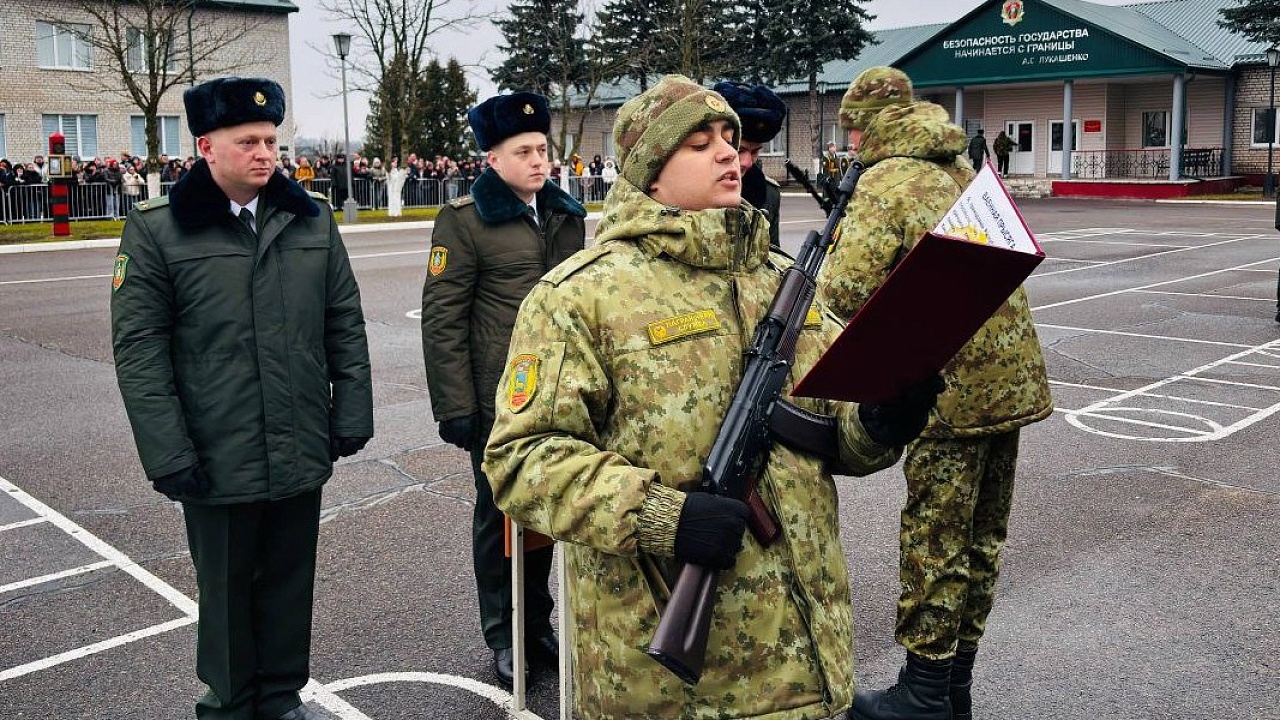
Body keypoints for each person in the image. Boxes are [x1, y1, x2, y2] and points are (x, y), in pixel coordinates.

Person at [483, 74, 939, 720]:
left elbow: (833, 430)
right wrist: (662, 515)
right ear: (650, 174)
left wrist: (879, 418)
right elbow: (522, 460)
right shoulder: (582, 297)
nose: (729, 152)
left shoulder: (782, 281)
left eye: (730, 137)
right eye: (700, 143)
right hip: (666, 687)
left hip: (802, 666)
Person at [111, 77, 373, 720]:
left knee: (288, 581)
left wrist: (353, 409)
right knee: (226, 588)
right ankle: (229, 704)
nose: (265, 153)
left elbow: (344, 319)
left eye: (271, 141)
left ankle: (283, 697)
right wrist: (166, 452)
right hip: (214, 446)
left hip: (299, 435)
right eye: (247, 141)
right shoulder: (158, 232)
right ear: (205, 146)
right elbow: (139, 351)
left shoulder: (311, 218)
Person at [818, 66, 1052, 720]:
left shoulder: (887, 181)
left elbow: (839, 293)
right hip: (1009, 383)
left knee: (936, 537)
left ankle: (923, 690)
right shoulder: (961, 171)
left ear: (860, 126)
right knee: (982, 536)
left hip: (946, 387)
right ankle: (954, 687)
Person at [420, 90, 586, 689]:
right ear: (493, 158)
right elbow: (443, 319)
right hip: (498, 400)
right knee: (499, 518)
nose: (539, 160)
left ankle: (536, 625)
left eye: (543, 148)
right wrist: (455, 406)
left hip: (561, 396)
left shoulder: (567, 215)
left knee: (547, 515)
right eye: (524, 151)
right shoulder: (464, 221)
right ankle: (503, 632)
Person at [713, 81, 787, 249]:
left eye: (755, 152)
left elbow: (773, 256)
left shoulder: (768, 193)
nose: (747, 162)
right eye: (739, 150)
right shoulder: (684, 188)